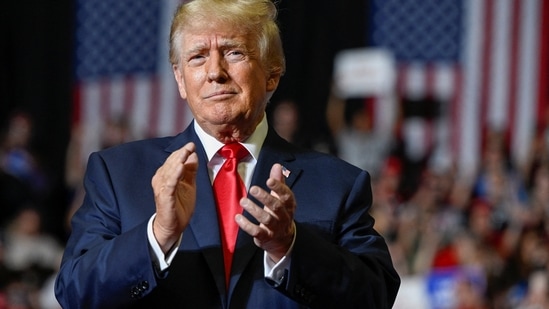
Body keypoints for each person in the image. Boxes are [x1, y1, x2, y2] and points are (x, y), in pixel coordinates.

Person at [55, 0, 400, 308]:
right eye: (197, 57)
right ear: (179, 78)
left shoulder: (338, 183)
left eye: (234, 52)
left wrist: (290, 245)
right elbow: (74, 293)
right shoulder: (118, 173)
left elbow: (377, 295)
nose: (215, 72)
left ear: (273, 74)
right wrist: (158, 233)